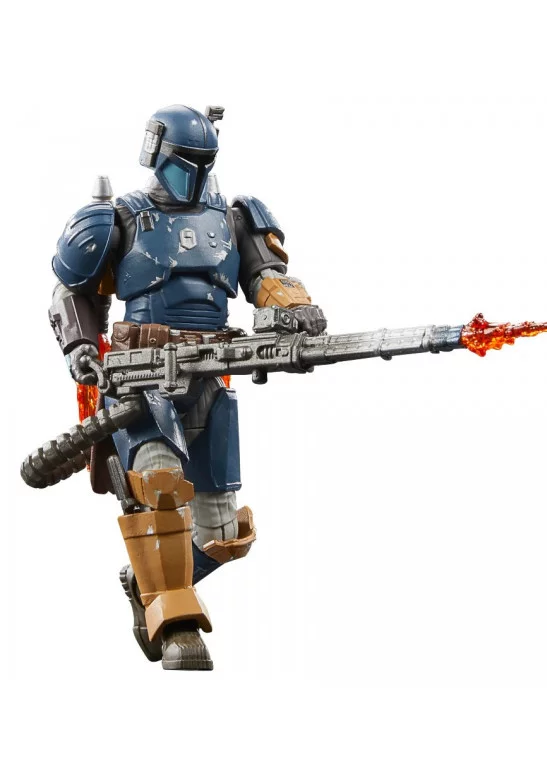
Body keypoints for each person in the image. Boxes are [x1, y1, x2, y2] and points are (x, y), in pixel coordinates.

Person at [48, 104, 327, 670]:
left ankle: (147, 582)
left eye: (203, 164)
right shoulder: (118, 218)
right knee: (160, 488)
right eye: (182, 164)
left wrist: (292, 309)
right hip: (143, 381)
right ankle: (177, 626)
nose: (193, 176)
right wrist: (81, 348)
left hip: (210, 378)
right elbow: (70, 292)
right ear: (156, 155)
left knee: (224, 531)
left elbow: (266, 278)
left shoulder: (234, 218)